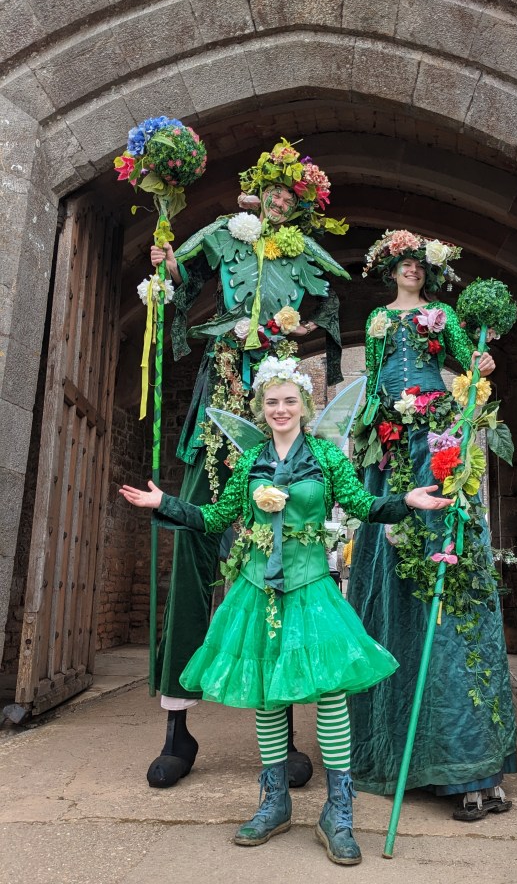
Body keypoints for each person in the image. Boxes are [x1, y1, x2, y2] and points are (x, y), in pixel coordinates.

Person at [120, 358, 451, 864]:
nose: (281, 409)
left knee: (332, 695)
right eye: (272, 402)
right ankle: (274, 802)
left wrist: (405, 500)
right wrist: (165, 502)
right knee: (268, 697)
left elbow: (363, 505)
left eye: (289, 400)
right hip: (257, 589)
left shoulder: (324, 456)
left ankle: (338, 811)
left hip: (311, 587)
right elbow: (216, 518)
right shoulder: (249, 460)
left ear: (305, 404)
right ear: (262, 407)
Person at [145, 139, 349, 788]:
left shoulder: (302, 254)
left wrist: (289, 340)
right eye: (276, 188)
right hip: (220, 397)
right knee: (193, 547)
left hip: (273, 409)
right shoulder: (227, 236)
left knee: (281, 556)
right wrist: (165, 272)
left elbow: (332, 300)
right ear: (260, 192)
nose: (283, 198)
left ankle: (283, 737)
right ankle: (177, 726)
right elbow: (183, 282)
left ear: (303, 207)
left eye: (296, 193)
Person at [347, 230, 517, 821]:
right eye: (402, 264)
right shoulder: (373, 320)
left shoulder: (442, 315)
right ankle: (394, 751)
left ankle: (467, 758)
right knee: (389, 571)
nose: (411, 271)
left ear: (429, 272)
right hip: (388, 454)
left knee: (449, 575)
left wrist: (479, 361)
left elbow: (462, 366)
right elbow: (373, 381)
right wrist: (364, 434)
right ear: (390, 270)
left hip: (434, 441)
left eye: (419, 265)